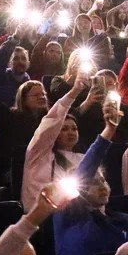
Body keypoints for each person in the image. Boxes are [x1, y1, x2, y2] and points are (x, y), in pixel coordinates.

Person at [51, 105, 128, 255]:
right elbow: (86, 169)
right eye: (92, 182)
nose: (101, 185)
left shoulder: (124, 220)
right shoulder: (66, 214)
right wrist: (109, 131)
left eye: (103, 180)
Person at [21, 77, 88, 210]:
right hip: (41, 217)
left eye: (74, 129)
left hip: (76, 216)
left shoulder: (83, 158)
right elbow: (51, 121)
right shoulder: (37, 154)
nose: (71, 132)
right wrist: (75, 91)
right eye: (64, 129)